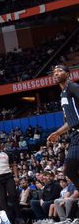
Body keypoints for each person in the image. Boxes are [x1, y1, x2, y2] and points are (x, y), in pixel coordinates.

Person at [48, 65, 79, 193]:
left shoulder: (72, 86)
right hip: (74, 134)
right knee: (70, 170)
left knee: (70, 169)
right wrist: (57, 132)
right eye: (54, 72)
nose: (56, 73)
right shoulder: (63, 93)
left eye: (60, 71)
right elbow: (71, 121)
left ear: (68, 74)